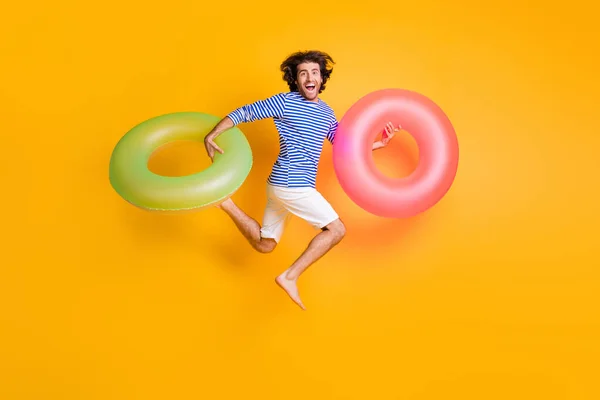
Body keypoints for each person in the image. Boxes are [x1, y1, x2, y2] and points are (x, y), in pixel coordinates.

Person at [203, 50, 398, 310]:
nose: (309, 77)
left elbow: (344, 146)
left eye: (314, 72)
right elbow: (246, 112)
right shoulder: (285, 102)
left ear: (321, 78)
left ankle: (226, 203)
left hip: (280, 186)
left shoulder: (326, 112)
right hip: (292, 184)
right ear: (295, 79)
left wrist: (379, 143)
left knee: (265, 244)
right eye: (303, 73)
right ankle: (290, 276)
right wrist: (213, 134)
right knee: (337, 230)